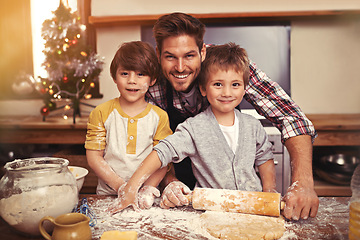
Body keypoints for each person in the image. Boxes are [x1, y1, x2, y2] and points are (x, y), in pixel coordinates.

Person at [145, 12, 319, 221]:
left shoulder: (228, 65)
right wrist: (169, 182)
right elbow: (152, 146)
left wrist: (304, 183)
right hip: (183, 194)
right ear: (158, 54)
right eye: (170, 56)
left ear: (202, 51)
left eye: (189, 56)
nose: (180, 67)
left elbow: (292, 117)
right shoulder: (147, 79)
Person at [109, 43, 277, 214]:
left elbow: (264, 157)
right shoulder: (193, 128)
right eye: (218, 84)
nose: (227, 92)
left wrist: (269, 191)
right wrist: (132, 186)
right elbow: (162, 152)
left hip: (254, 209)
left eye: (235, 85)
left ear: (244, 89)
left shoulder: (253, 126)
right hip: (212, 212)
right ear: (203, 89)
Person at [85, 41, 172, 209]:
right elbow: (94, 158)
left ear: (152, 79)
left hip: (144, 199)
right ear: (114, 77)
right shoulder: (101, 112)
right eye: (125, 73)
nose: (132, 81)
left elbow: (163, 161)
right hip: (108, 196)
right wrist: (122, 188)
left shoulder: (159, 117)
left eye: (140, 74)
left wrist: (147, 189)